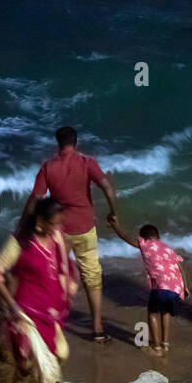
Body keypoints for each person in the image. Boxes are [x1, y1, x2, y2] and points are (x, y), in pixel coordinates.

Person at [18, 126, 118, 344]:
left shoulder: (49, 167)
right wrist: (113, 213)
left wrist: (23, 226)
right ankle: (97, 329)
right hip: (85, 228)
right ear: (76, 142)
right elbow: (107, 188)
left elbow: (35, 198)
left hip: (58, 231)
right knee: (92, 277)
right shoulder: (87, 163)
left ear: (58, 144)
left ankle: (51, 325)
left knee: (54, 277)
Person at [0, 197, 78, 383]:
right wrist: (12, 306)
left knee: (61, 353)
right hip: (27, 312)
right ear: (39, 222)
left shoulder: (57, 236)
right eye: (53, 224)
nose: (57, 228)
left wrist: (70, 279)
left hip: (52, 309)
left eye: (60, 223)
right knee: (27, 363)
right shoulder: (20, 243)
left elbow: (64, 262)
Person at [109, 217, 188, 355]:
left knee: (152, 313)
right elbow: (180, 268)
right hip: (176, 287)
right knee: (165, 313)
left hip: (160, 287)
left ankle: (157, 347)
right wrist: (185, 288)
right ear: (158, 236)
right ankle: (165, 343)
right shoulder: (168, 249)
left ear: (143, 237)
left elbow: (125, 236)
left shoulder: (145, 244)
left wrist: (115, 225)